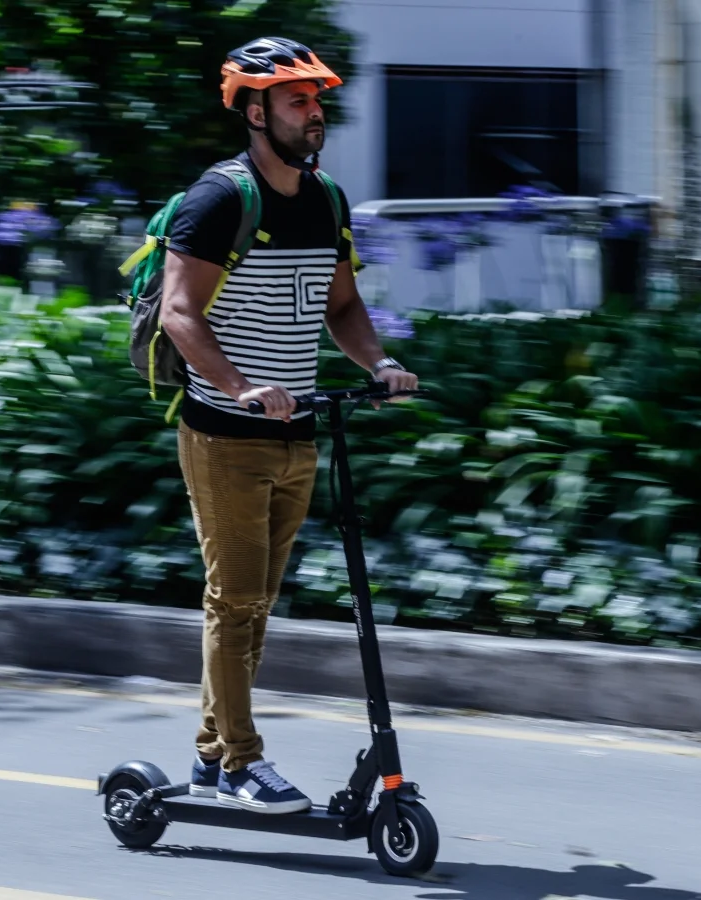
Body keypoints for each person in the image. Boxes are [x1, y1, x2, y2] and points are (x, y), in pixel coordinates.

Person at [160, 37, 419, 815]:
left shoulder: (326, 200)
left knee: (255, 604)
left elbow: (341, 306)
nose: (315, 114)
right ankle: (241, 761)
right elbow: (179, 313)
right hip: (224, 433)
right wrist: (241, 388)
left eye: (317, 100)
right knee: (233, 600)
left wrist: (376, 364)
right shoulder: (219, 200)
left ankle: (213, 755)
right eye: (297, 100)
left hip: (298, 431)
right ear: (253, 109)